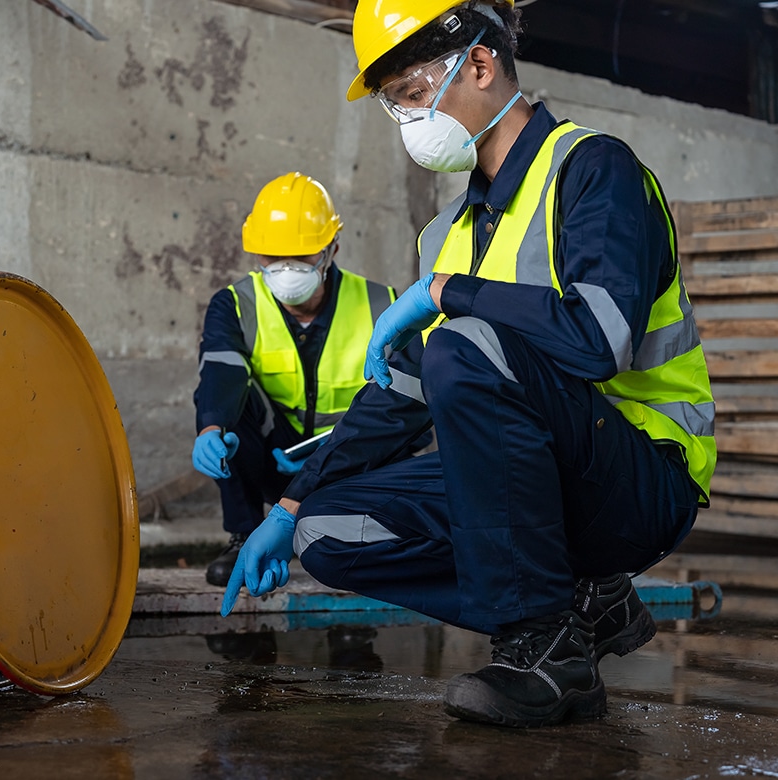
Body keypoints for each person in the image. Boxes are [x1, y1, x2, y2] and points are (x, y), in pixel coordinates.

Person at [220, 0, 716, 729]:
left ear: (480, 63)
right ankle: (583, 603)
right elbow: (400, 399)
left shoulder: (592, 170)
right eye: (397, 106)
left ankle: (544, 649)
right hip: (538, 485)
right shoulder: (443, 234)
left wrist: (451, 293)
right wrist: (288, 508)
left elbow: (599, 341)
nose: (411, 122)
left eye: (414, 95)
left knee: (464, 341)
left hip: (642, 475)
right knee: (328, 533)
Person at [193, 172, 414, 587]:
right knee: (225, 408)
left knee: (398, 414)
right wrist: (211, 427)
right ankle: (243, 536)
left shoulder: (382, 304)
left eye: (302, 257)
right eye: (271, 258)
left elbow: (406, 408)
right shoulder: (236, 303)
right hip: (272, 459)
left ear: (332, 249)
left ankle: (363, 545)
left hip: (349, 460)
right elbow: (221, 369)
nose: (286, 270)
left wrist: (333, 451)